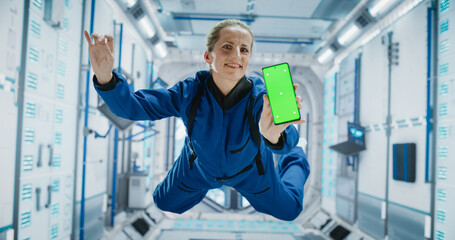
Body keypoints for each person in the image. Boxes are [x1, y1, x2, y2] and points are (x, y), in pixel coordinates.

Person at [83, 19, 310, 221]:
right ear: (208, 56)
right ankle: (193, 148)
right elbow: (132, 108)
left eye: (244, 49)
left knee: (289, 210)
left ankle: (294, 158)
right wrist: (105, 78)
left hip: (252, 171)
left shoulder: (263, 97)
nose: (236, 56)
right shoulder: (189, 92)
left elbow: (288, 137)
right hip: (200, 169)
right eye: (227, 47)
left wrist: (274, 138)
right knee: (164, 202)